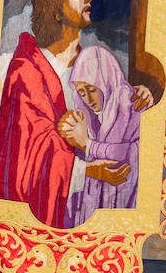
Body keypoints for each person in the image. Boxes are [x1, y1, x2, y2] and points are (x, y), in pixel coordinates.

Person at [0, 0, 147, 228]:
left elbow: (117, 118)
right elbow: (27, 157)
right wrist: (89, 170)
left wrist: (137, 98)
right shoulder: (28, 70)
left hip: (93, 212)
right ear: (56, 9)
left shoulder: (92, 64)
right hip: (50, 215)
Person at [60, 46, 142, 226]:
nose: (88, 99)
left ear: (106, 80)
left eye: (91, 89)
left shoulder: (135, 106)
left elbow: (134, 154)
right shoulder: (89, 119)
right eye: (82, 92)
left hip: (122, 208)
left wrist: (89, 145)